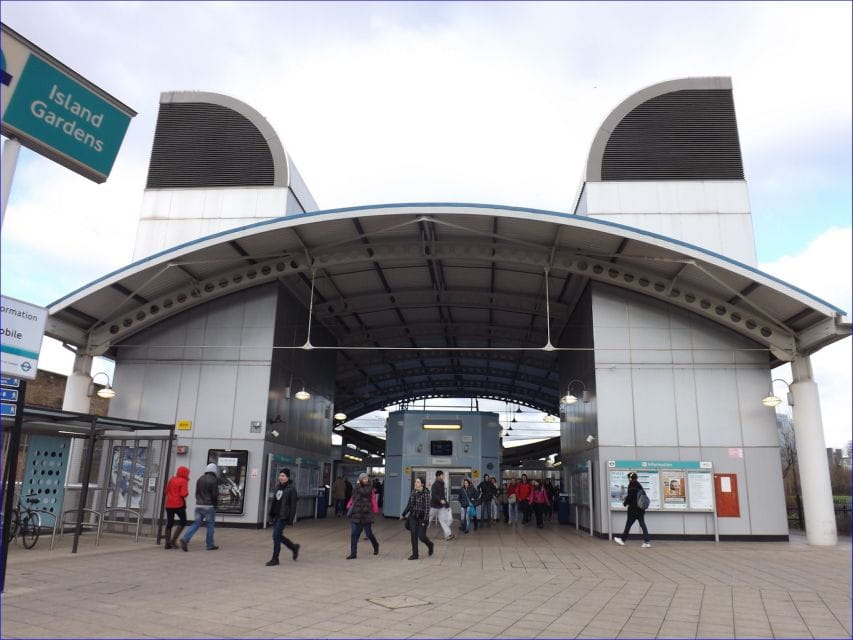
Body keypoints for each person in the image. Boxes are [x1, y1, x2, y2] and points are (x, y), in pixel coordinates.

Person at [180, 463, 220, 552]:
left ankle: (185, 539)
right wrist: (215, 505)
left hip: (199, 505)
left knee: (196, 523)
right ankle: (210, 545)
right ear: (214, 471)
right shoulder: (214, 480)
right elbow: (214, 495)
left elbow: (197, 493)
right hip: (209, 506)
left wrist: (198, 501)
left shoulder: (200, 479)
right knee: (210, 526)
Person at [266, 469, 300, 566]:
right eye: (280, 475)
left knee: (275, 536)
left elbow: (293, 505)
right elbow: (275, 502)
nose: (281, 477)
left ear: (287, 477)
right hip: (276, 515)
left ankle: (275, 558)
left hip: (283, 516)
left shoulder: (291, 489)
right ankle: (293, 547)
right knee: (278, 536)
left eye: (283, 476)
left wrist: (291, 519)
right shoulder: (278, 487)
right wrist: (271, 514)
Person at [399, 477, 434, 559]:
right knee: (413, 534)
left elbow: (427, 509)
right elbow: (409, 505)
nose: (415, 483)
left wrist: (424, 521)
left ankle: (430, 544)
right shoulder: (413, 492)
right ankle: (415, 554)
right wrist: (403, 514)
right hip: (413, 516)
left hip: (422, 518)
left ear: (422, 484)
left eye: (418, 482)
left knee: (421, 537)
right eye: (415, 482)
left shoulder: (426, 494)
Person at [614, 472, 651, 548]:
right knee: (642, 524)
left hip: (633, 510)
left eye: (628, 478)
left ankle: (622, 540)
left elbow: (630, 497)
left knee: (628, 524)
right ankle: (647, 542)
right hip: (640, 509)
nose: (628, 479)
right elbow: (640, 496)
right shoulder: (639, 485)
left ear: (630, 478)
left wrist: (625, 503)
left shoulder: (631, 485)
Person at [346, 473, 379, 559]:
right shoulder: (356, 488)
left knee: (368, 534)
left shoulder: (369, 487)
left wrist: (358, 485)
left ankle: (376, 545)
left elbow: (365, 492)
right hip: (356, 513)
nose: (365, 480)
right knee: (354, 534)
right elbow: (353, 497)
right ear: (360, 479)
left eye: (366, 478)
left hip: (366, 514)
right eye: (364, 479)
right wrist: (349, 505)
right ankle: (353, 553)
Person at [164, 466, 190, 549]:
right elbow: (183, 494)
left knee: (169, 523)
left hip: (169, 504)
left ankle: (167, 543)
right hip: (179, 504)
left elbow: (166, 491)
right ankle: (173, 541)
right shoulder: (183, 481)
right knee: (183, 521)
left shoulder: (172, 479)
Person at [429, 470, 454, 540]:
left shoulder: (442, 484)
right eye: (442, 475)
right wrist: (440, 500)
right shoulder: (434, 485)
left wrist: (447, 504)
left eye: (443, 475)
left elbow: (443, 496)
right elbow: (434, 495)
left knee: (443, 521)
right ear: (438, 476)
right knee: (428, 520)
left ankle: (448, 535)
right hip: (434, 506)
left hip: (441, 507)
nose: (443, 476)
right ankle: (421, 532)